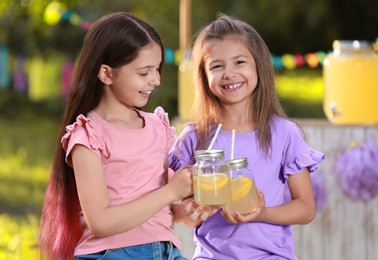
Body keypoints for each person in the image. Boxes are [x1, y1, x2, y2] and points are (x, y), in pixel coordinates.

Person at [169, 14, 325, 259]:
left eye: (239, 62)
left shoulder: (284, 134)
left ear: (258, 66)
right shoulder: (194, 137)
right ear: (203, 76)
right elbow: (171, 209)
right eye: (217, 66)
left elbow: (305, 208)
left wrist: (261, 212)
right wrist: (187, 213)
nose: (229, 74)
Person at [39, 12, 193, 260]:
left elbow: (170, 209)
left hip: (167, 251)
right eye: (144, 72)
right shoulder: (88, 136)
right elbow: (100, 222)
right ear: (106, 74)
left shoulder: (158, 127)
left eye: (157, 69)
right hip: (113, 254)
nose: (156, 80)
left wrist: (190, 209)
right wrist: (171, 193)